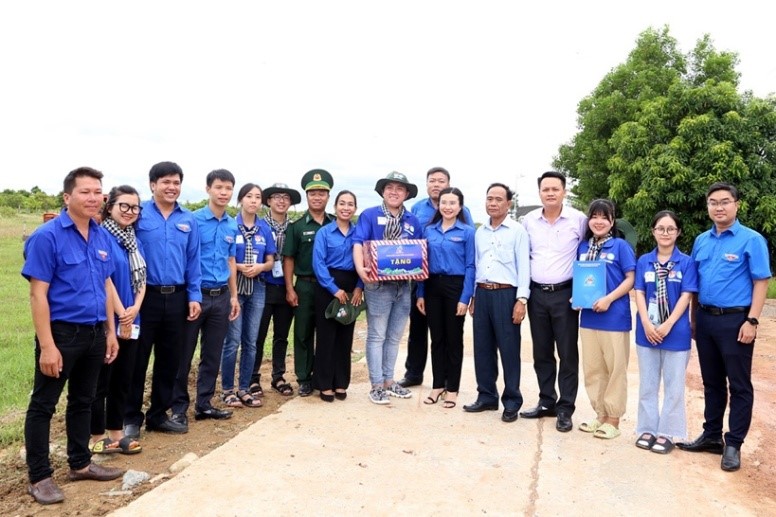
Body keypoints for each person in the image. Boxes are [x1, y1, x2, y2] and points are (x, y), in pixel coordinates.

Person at [22, 166, 123, 505]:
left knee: (84, 400)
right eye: (85, 191)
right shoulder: (47, 236)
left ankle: (80, 463)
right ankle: (39, 477)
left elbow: (106, 285)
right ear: (67, 197)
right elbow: (38, 294)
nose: (94, 198)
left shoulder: (101, 235)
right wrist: (47, 346)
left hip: (95, 332)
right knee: (43, 405)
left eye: (98, 192)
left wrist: (110, 332)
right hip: (62, 334)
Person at [677, 182, 771, 472]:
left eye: (725, 201)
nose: (719, 207)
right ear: (708, 206)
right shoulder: (701, 240)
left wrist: (752, 320)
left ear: (736, 204)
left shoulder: (751, 239)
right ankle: (711, 436)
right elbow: (695, 283)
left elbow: (761, 281)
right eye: (713, 202)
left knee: (739, 384)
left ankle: (733, 444)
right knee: (712, 382)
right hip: (705, 319)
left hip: (736, 321)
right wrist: (694, 319)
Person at [126, 161, 202, 436]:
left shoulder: (188, 219)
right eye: (166, 182)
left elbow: (193, 260)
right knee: (137, 359)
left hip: (178, 297)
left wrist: (194, 296)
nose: (172, 187)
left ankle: (158, 415)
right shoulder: (139, 214)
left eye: (176, 182)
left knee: (170, 360)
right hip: (145, 298)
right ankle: (130, 418)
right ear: (152, 185)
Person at [520, 171, 586, 432]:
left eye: (555, 189)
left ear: (564, 192)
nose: (550, 193)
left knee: (567, 352)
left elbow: (587, 252)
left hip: (565, 295)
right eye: (545, 189)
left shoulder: (578, 220)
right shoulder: (528, 221)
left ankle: (565, 408)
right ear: (539, 193)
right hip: (537, 294)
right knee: (542, 351)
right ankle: (546, 400)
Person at [173, 169, 240, 422]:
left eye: (228, 188)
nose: (223, 192)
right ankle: (178, 408)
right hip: (195, 295)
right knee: (184, 353)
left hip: (221, 296)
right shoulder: (193, 220)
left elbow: (230, 261)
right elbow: (185, 257)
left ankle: (204, 404)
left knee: (212, 354)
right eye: (219, 187)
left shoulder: (232, 224)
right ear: (208, 189)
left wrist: (233, 296)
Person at [400, 167, 474, 388]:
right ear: (426, 184)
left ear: (448, 185)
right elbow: (411, 241)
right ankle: (414, 373)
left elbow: (468, 251)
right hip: (423, 278)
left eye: (441, 181)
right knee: (417, 328)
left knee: (448, 334)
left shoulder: (464, 214)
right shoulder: (417, 208)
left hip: (452, 283)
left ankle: (449, 383)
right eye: (432, 180)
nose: (436, 184)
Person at [354, 171, 423, 404]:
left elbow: (420, 253)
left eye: (400, 188)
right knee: (377, 336)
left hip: (403, 287)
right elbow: (358, 243)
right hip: (377, 286)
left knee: (394, 337)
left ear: (406, 194)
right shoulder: (369, 215)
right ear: (383, 191)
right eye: (390, 188)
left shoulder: (412, 221)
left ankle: (389, 381)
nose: (394, 192)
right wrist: (360, 269)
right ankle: (376, 385)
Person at [463, 183, 530, 423]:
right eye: (489, 198)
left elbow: (524, 267)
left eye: (498, 199)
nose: (493, 203)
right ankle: (486, 396)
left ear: (508, 204)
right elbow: (477, 264)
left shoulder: (517, 231)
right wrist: (473, 296)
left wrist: (521, 299)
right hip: (482, 293)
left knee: (509, 349)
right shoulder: (479, 232)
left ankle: (511, 401)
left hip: (506, 294)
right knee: (482, 348)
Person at [633, 210, 698, 454]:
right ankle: (647, 429)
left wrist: (668, 324)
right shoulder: (644, 261)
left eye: (671, 229)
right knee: (648, 384)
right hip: (647, 331)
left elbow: (686, 295)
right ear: (653, 231)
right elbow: (639, 292)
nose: (665, 233)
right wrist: (646, 324)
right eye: (660, 228)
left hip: (676, 332)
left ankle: (668, 432)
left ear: (678, 232)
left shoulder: (687, 262)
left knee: (674, 385)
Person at [90, 186, 147, 456]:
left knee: (124, 377)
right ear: (110, 206)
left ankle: (116, 432)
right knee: (101, 379)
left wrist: (134, 308)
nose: (129, 211)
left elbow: (143, 278)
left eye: (134, 207)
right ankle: (96, 435)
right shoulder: (100, 236)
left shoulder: (134, 240)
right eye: (124, 205)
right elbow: (106, 280)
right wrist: (122, 312)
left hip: (132, 317)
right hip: (108, 318)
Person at [575, 199, 636, 439]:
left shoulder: (620, 246)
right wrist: (578, 298)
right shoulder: (583, 247)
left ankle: (613, 419)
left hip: (614, 317)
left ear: (612, 221)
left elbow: (630, 278)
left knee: (615, 369)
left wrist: (609, 299)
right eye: (594, 216)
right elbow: (581, 279)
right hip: (588, 318)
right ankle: (599, 414)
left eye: (604, 217)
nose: (599, 221)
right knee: (593, 369)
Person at [416, 187, 475, 409]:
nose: (447, 207)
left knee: (453, 339)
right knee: (437, 339)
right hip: (432, 286)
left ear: (460, 207)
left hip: (455, 287)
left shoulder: (467, 232)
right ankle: (437, 385)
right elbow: (421, 263)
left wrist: (465, 297)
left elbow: (471, 266)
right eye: (444, 203)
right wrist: (420, 293)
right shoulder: (428, 230)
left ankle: (452, 389)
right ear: (438, 205)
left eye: (452, 203)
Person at [220, 183, 275, 408]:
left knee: (251, 341)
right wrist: (239, 267)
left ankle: (244, 388)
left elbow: (271, 260)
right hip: (234, 287)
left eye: (258, 197)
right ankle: (227, 390)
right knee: (232, 340)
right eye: (249, 196)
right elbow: (226, 257)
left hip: (258, 287)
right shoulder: (230, 225)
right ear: (241, 199)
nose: (253, 200)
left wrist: (261, 267)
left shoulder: (264, 229)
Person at [283, 169, 336, 396]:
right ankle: (304, 378)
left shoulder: (335, 224)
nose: (317, 197)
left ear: (328, 196)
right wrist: (290, 288)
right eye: (313, 193)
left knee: (327, 333)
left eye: (322, 193)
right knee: (303, 333)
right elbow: (288, 259)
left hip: (329, 287)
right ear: (307, 196)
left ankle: (324, 376)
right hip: (304, 285)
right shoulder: (296, 227)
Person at [249, 183, 301, 397]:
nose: (281, 201)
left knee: (281, 335)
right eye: (277, 197)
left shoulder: (294, 228)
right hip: (261, 286)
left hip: (285, 287)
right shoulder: (258, 225)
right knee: (257, 335)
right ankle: (252, 378)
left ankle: (278, 376)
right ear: (268, 201)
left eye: (286, 197)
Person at [312, 190, 364, 402]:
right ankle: (324, 384)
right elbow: (318, 263)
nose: (346, 208)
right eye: (342, 203)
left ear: (355, 208)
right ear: (335, 207)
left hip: (352, 287)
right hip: (328, 287)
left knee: (345, 337)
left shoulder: (359, 233)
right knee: (326, 337)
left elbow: (365, 261)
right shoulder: (324, 232)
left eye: (350, 204)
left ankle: (341, 382)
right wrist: (334, 289)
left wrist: (359, 287)